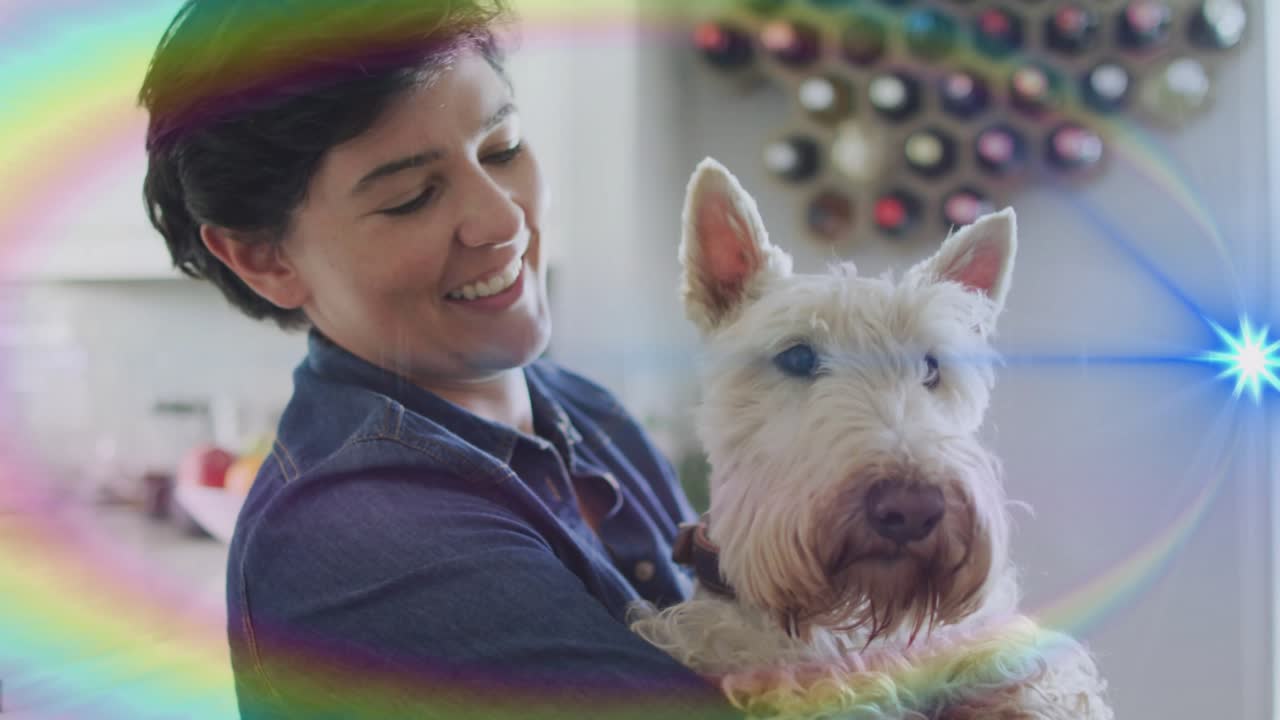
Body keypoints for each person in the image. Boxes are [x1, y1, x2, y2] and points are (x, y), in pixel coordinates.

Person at [138, 1, 741, 717]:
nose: (504, 219)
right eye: (412, 197)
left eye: (502, 149)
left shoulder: (583, 409)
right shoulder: (358, 541)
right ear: (264, 259)